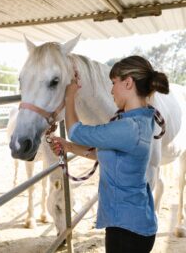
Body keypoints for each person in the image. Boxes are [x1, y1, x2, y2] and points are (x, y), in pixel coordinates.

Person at [50, 55, 169, 253]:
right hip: (131, 223)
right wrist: (69, 147)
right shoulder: (140, 120)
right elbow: (106, 156)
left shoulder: (129, 127)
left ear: (128, 83)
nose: (111, 90)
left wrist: (70, 96)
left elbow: (76, 131)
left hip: (127, 229)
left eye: (114, 83)